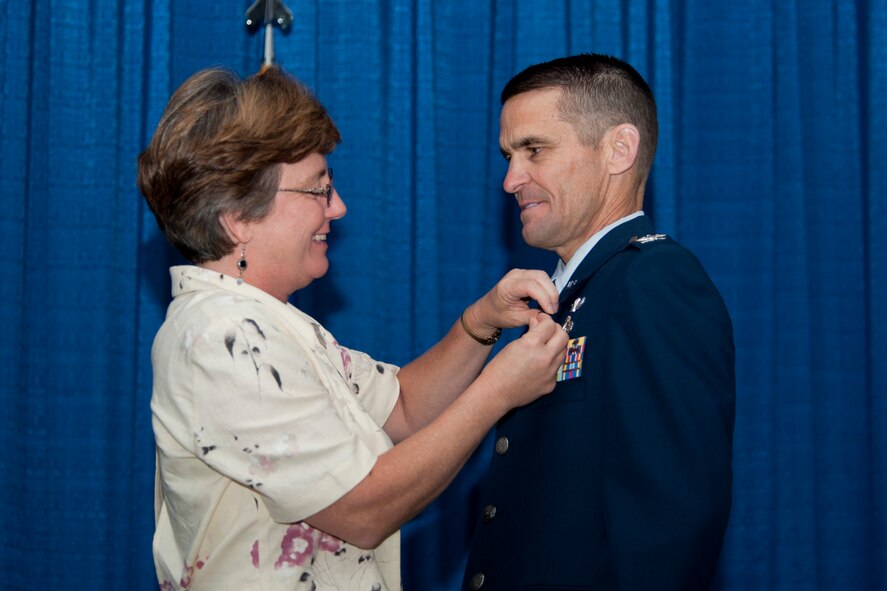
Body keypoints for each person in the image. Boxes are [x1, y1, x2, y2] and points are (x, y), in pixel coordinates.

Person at [137, 66, 569, 591]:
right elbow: (363, 510)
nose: (337, 209)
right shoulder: (221, 338)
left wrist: (480, 323)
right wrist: (499, 391)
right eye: (318, 191)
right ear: (237, 218)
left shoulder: (269, 321)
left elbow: (403, 408)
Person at [462, 53, 736, 590]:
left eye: (534, 150)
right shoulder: (572, 292)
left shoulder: (654, 283)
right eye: (509, 155)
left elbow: (670, 528)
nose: (511, 179)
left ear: (618, 150)